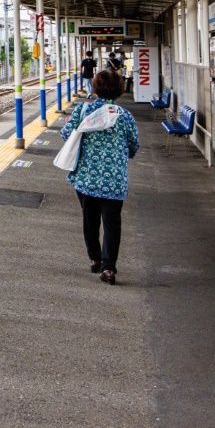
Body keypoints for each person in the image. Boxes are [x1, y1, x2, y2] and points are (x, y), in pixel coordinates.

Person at [59, 68, 139, 284]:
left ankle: (94, 258)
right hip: (114, 180)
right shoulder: (125, 116)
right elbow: (133, 146)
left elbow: (66, 135)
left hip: (86, 178)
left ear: (95, 87)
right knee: (113, 223)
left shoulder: (84, 110)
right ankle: (109, 268)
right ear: (119, 90)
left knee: (90, 219)